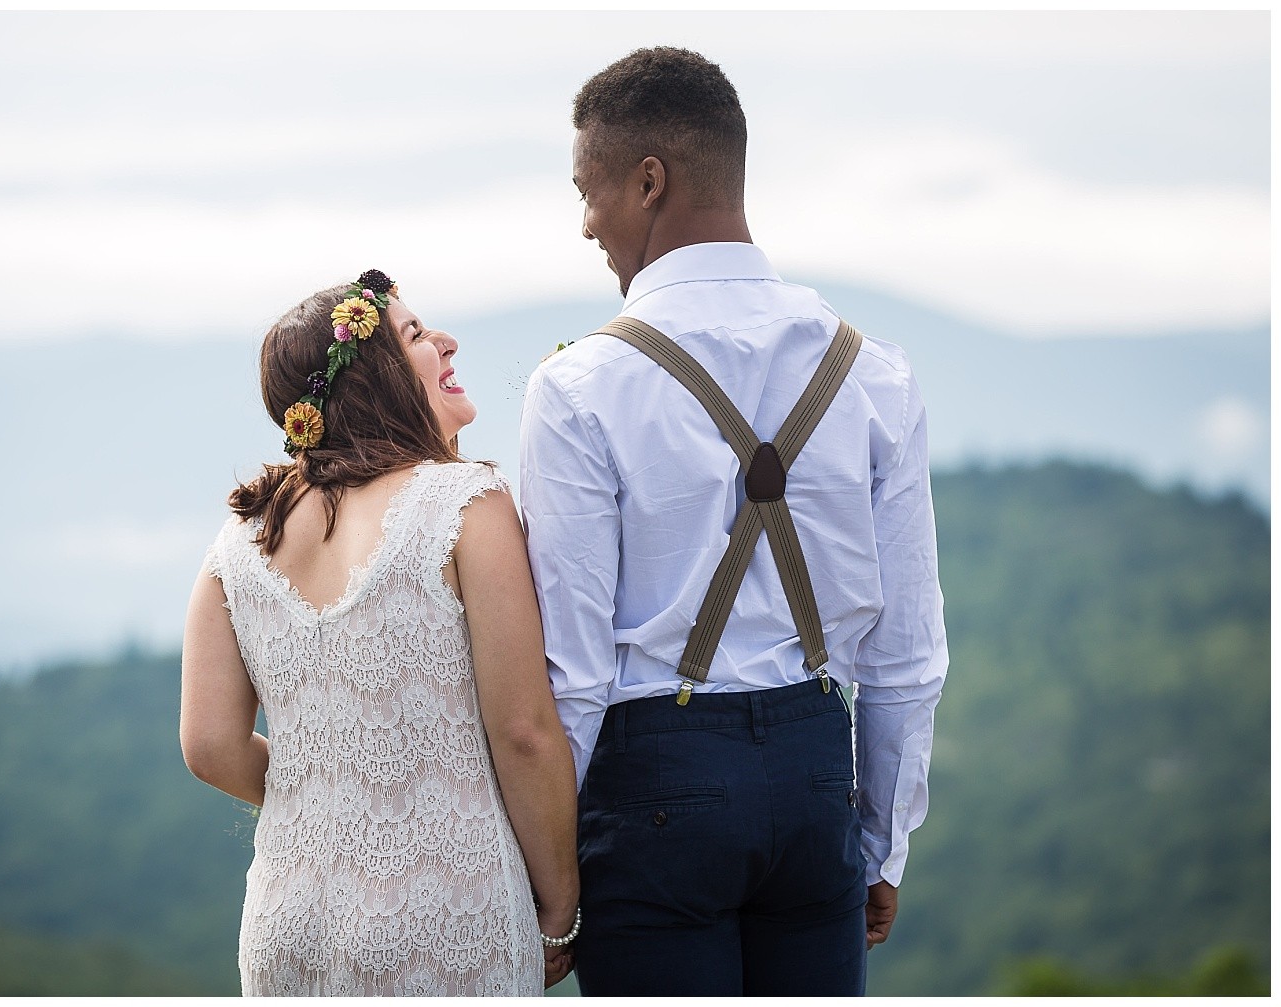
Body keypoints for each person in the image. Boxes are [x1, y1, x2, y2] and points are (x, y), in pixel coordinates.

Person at [519, 48, 949, 995]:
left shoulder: (579, 389)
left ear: (648, 182)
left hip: (655, 792)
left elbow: (574, 678)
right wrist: (882, 842)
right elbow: (908, 653)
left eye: (589, 191)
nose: (586, 224)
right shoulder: (874, 373)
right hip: (811, 783)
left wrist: (551, 888)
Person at [181, 270, 580, 996]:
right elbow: (524, 730)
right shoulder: (467, 504)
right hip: (447, 914)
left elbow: (208, 747)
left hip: (287, 922)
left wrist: (327, 789)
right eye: (418, 334)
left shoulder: (236, 545)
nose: (447, 341)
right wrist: (559, 906)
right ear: (373, 378)